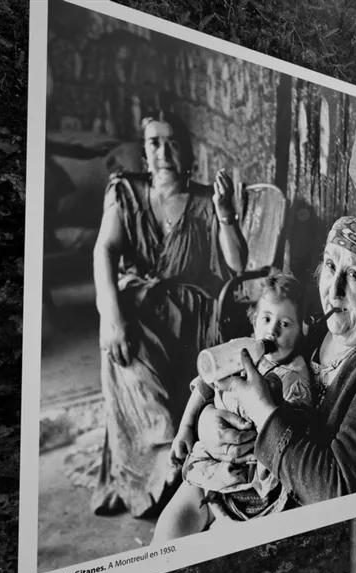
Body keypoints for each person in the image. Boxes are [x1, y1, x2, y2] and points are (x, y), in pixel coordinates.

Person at [154, 216, 356, 537]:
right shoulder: (311, 333)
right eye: (331, 266)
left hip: (283, 503)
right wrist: (206, 423)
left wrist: (260, 410)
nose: (335, 291)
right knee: (169, 532)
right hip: (234, 472)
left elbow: (338, 492)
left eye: (354, 275)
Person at [90, 110, 247, 518]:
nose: (163, 152)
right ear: (145, 153)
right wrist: (110, 316)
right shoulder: (126, 192)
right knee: (122, 348)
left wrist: (225, 212)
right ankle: (160, 463)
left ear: (189, 152)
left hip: (192, 317)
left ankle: (170, 464)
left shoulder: (205, 200)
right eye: (154, 143)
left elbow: (237, 264)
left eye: (173, 142)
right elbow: (105, 250)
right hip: (140, 308)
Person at [153, 273, 313, 541]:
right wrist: (186, 427)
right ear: (254, 320)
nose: (273, 331)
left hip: (253, 478)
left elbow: (293, 432)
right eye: (266, 319)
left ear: (301, 331)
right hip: (212, 461)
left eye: (285, 324)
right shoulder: (241, 352)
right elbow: (205, 384)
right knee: (170, 528)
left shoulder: (295, 376)